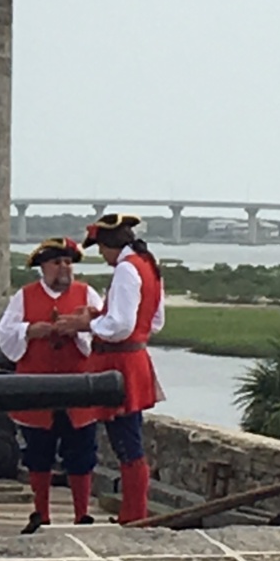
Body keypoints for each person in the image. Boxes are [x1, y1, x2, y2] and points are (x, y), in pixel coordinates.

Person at [54, 212, 165, 524]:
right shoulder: (149, 266)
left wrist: (86, 323)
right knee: (127, 439)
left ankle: (134, 514)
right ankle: (134, 511)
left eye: (101, 248)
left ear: (110, 243)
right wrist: (97, 315)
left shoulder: (127, 270)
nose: (101, 254)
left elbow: (120, 325)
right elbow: (155, 321)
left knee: (126, 442)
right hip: (135, 358)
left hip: (120, 362)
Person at [0, 237, 106, 532]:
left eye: (68, 262)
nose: (64, 268)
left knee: (82, 453)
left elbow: (103, 334)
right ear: (43, 267)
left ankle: (82, 514)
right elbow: (5, 334)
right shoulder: (25, 296)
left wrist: (79, 329)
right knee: (37, 454)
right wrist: (30, 330)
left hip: (78, 389)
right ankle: (41, 514)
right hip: (37, 387)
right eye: (57, 262)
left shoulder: (87, 294)